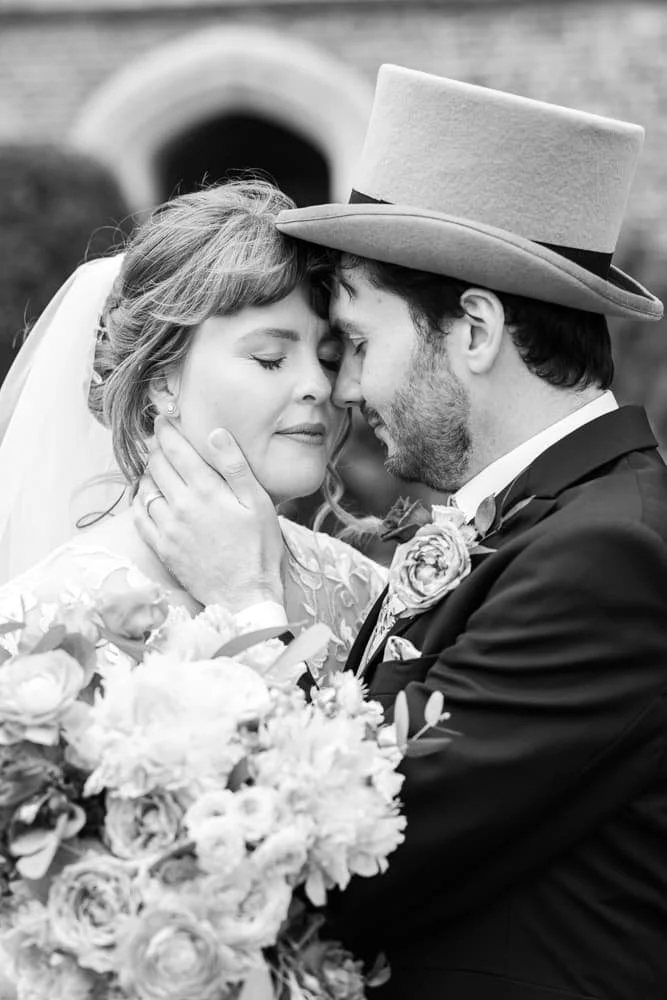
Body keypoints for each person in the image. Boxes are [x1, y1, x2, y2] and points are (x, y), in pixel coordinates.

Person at [135, 67, 667, 1000]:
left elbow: (362, 853)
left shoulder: (609, 556)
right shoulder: (552, 525)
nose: (341, 390)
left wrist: (247, 609)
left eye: (357, 344)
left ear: (474, 331)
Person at [0, 180, 386, 678]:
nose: (318, 385)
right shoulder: (47, 626)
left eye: (330, 358)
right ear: (162, 379)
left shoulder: (365, 591)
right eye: (270, 358)